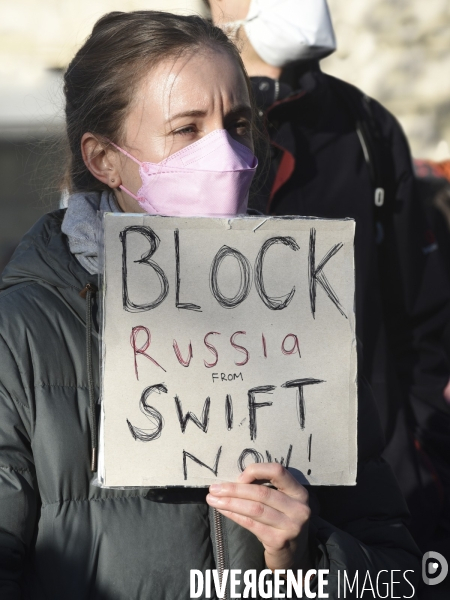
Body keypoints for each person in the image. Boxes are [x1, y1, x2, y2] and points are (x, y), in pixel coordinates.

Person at [0, 11, 420, 598]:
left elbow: (401, 574)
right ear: (104, 160)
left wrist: (307, 558)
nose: (225, 152)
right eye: (187, 129)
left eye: (238, 123)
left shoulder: (304, 311)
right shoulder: (22, 335)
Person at [208, 0, 450, 564]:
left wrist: (412, 459)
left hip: (375, 498)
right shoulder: (182, 117)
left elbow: (423, 320)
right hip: (220, 499)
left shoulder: (365, 125)